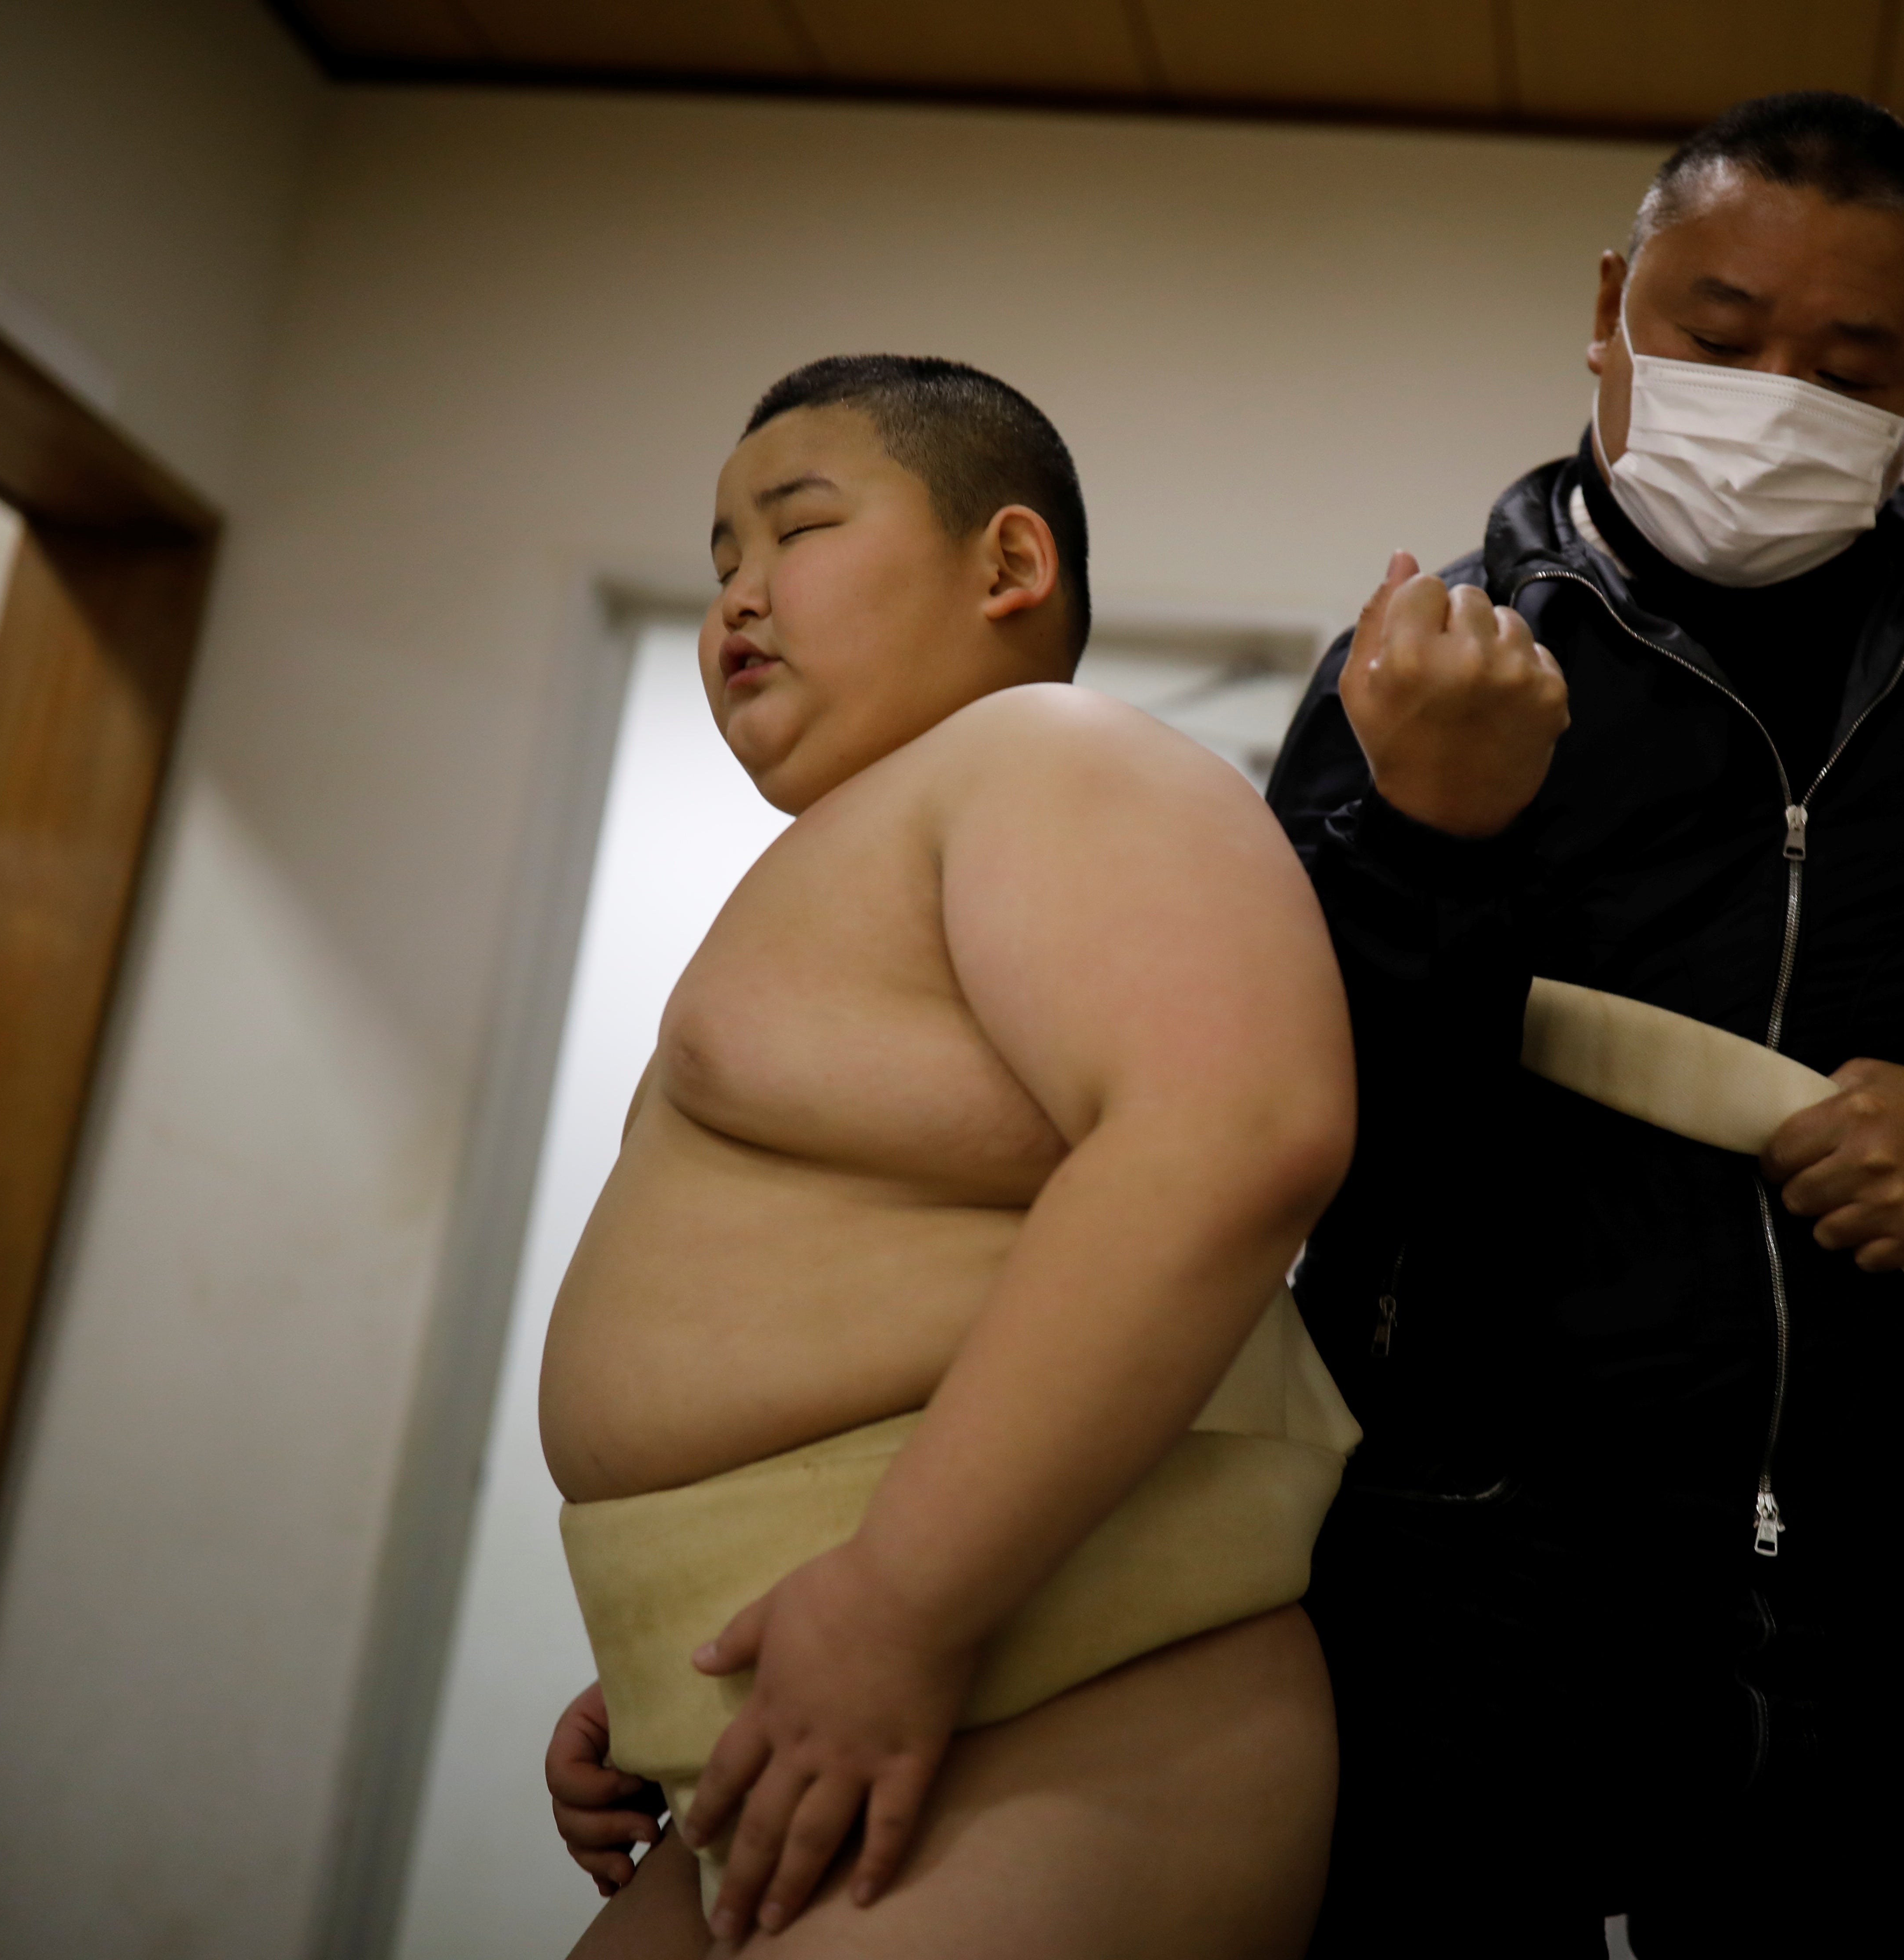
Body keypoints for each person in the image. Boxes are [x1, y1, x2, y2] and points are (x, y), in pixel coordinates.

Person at [1268, 93, 1904, 1956]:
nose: (1773, 394)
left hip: (1876, 1589)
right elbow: (1283, 1123)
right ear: (1617, 303)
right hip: (1461, 1589)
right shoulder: (1432, 666)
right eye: (1719, 337)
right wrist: (1431, 838)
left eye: (1849, 364)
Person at [536, 354, 1361, 1958]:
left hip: (1055, 1704)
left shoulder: (1056, 757)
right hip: (857, 1700)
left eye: (798, 530)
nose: (739, 597)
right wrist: (686, 1637)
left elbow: (1237, 1139)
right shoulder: (886, 841)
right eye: (718, 562)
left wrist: (902, 1599)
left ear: (1007, 564)